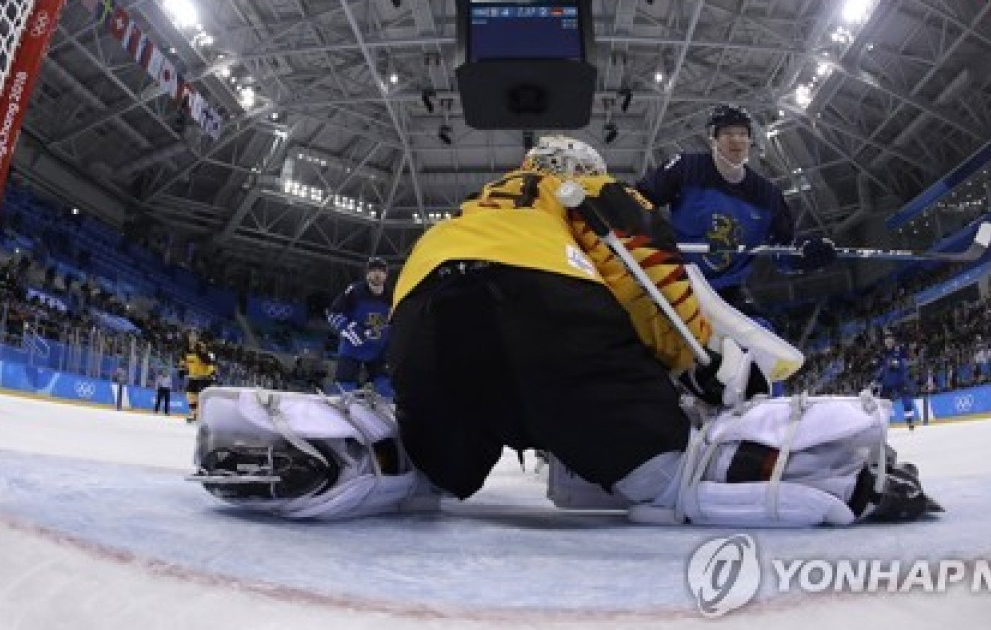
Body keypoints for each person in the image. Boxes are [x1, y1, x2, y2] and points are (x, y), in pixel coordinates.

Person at [189, 136, 940, 525]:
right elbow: (645, 270)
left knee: (432, 471)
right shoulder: (584, 190)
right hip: (550, 312)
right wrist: (694, 363)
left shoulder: (475, 208)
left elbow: (416, 318)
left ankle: (337, 453)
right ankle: (832, 466)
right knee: (669, 476)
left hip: (425, 310)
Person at [634, 104, 837, 310]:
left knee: (759, 339)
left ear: (750, 140)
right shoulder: (686, 167)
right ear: (713, 138)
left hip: (728, 294)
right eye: (728, 133)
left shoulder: (768, 195)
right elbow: (639, 200)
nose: (736, 140)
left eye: (742, 133)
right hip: (675, 282)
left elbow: (782, 250)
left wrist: (806, 254)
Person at [326, 257, 393, 397]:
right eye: (373, 270)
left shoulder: (392, 296)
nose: (377, 274)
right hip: (352, 350)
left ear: (386, 275)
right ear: (367, 274)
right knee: (344, 388)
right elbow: (333, 313)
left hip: (379, 352)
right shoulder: (354, 292)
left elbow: (398, 323)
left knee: (386, 388)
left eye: (381, 271)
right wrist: (348, 328)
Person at [873, 331, 917, 430]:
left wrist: (901, 362)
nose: (888, 340)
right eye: (886, 338)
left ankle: (909, 420)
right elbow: (879, 368)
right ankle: (882, 423)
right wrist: (877, 378)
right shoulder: (881, 353)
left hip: (900, 380)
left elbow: (909, 358)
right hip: (887, 382)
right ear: (884, 341)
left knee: (907, 400)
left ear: (893, 340)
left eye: (890, 338)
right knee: (882, 403)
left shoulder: (900, 349)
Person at [179, 330, 217, 424]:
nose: (192, 338)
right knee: (190, 395)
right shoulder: (185, 349)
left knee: (202, 396)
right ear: (187, 337)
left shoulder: (201, 346)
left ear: (197, 338)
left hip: (205, 376)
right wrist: (181, 369)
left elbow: (209, 361)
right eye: (190, 336)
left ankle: (204, 416)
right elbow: (183, 360)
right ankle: (194, 414)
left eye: (194, 336)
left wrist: (212, 372)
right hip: (193, 375)